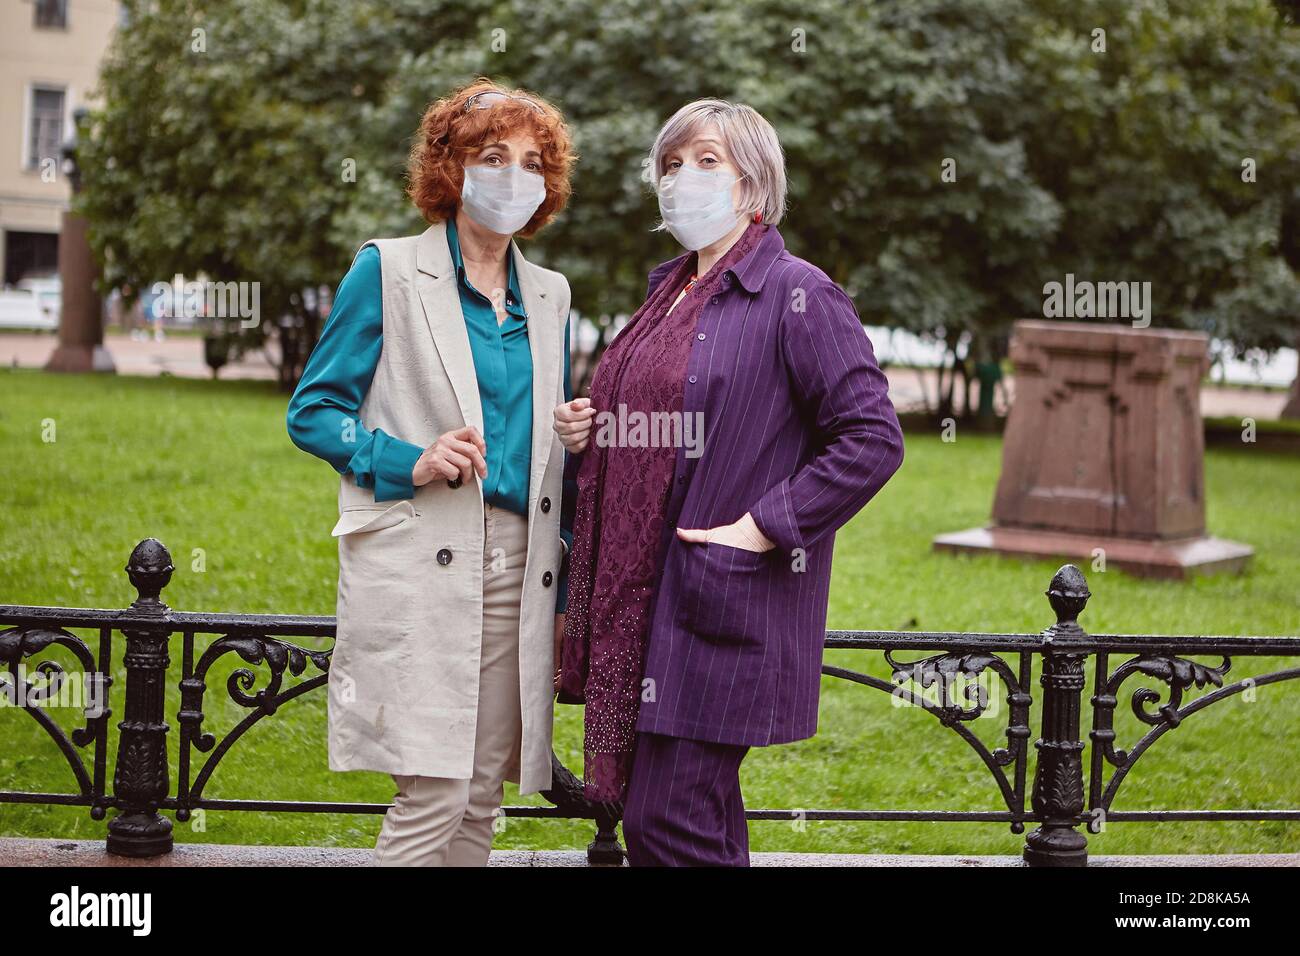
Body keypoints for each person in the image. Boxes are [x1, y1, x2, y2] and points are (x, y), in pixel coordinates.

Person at [554, 98, 904, 866]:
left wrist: (763, 526)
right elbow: (654, 427)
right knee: (694, 826)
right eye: (670, 165)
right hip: (636, 605)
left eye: (706, 161)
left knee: (667, 825)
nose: (682, 179)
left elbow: (873, 438)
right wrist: (588, 434)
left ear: (753, 182)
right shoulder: (667, 292)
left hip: (717, 603)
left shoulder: (796, 292)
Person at [288, 80, 576, 866]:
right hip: (426, 554)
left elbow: (542, 440)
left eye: (530, 162)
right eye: (493, 156)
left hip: (523, 565)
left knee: (482, 791)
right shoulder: (385, 269)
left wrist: (572, 432)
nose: (515, 175)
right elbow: (312, 412)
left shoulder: (549, 293)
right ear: (450, 167)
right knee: (436, 791)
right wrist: (407, 459)